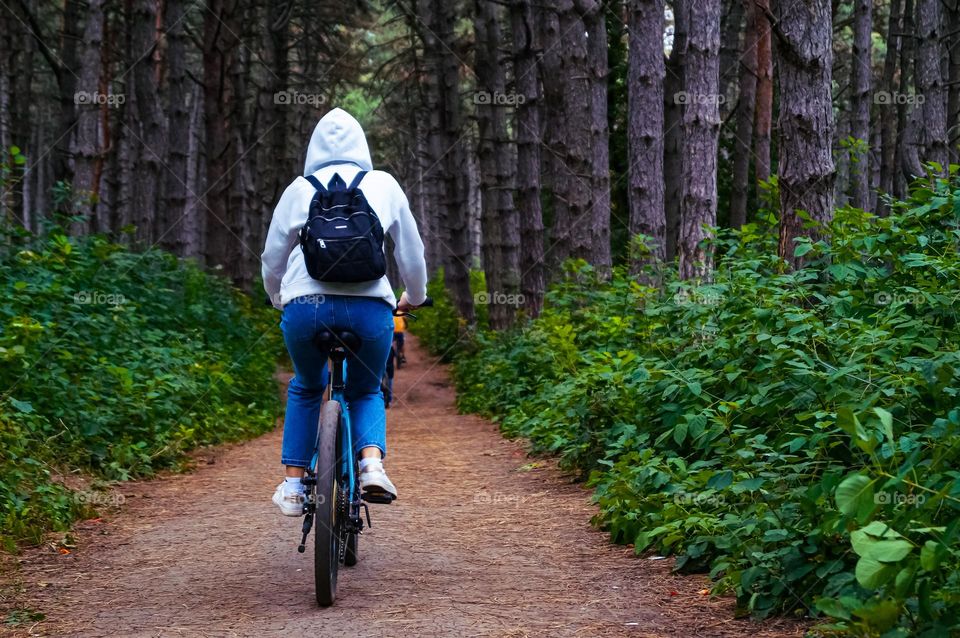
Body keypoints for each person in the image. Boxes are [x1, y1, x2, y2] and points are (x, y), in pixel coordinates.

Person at [261, 108, 427, 516]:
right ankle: (371, 465)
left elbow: (271, 258)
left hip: (305, 309)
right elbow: (411, 253)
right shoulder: (383, 184)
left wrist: (278, 298)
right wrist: (416, 297)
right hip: (370, 308)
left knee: (305, 386)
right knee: (366, 389)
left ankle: (294, 486)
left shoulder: (298, 188)